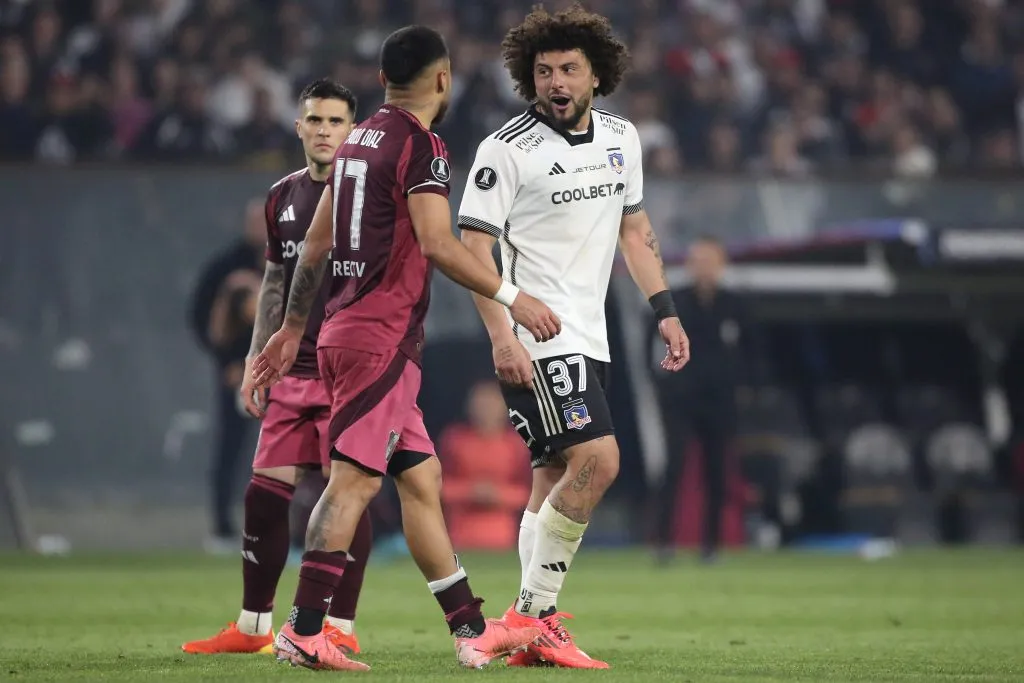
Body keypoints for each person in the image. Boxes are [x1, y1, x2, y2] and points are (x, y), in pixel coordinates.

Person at [252, 25, 559, 671]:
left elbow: (313, 242)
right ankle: (305, 629)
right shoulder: (422, 144)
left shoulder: (358, 141)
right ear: (442, 78)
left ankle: (470, 627)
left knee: (421, 481)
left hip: (348, 332)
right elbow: (438, 243)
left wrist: (288, 327)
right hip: (379, 340)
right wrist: (513, 298)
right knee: (354, 481)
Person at [457, 3, 690, 668]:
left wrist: (665, 308)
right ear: (529, 79)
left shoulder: (623, 138)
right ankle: (529, 618)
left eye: (568, 68)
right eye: (543, 70)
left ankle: (532, 635)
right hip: (537, 335)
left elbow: (634, 232)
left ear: (596, 74)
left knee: (553, 474)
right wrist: (502, 333)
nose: (555, 81)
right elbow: (474, 250)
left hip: (592, 335)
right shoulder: (507, 150)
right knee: (601, 462)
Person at [182, 80, 372, 655]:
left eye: (336, 122)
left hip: (349, 371)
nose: (323, 131)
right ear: (299, 127)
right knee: (264, 495)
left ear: (352, 130)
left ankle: (340, 624)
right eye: (314, 120)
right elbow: (273, 281)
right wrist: (253, 357)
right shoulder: (281, 197)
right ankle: (253, 626)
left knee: (346, 495)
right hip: (291, 369)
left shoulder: (369, 199)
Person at [653, 235, 760, 564]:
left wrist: (741, 387)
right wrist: (664, 387)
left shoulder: (735, 305)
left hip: (719, 400)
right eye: (698, 261)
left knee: (717, 471)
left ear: (722, 265)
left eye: (710, 261)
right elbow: (651, 348)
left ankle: (711, 545)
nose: (704, 268)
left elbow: (752, 353)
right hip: (680, 398)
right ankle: (663, 542)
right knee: (673, 468)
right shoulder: (672, 305)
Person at [188, 197, 264, 551]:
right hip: (237, 373)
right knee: (231, 449)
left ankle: (285, 528)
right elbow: (205, 323)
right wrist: (227, 362)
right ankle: (221, 526)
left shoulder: (295, 258)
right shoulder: (227, 269)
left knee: (290, 451)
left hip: (284, 371)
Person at [439, 380, 531, 551]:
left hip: (503, 534)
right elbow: (438, 487)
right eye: (481, 405)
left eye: (492, 405)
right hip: (459, 533)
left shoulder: (516, 445)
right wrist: (471, 492)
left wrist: (498, 495)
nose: (486, 411)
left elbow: (529, 493)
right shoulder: (454, 440)